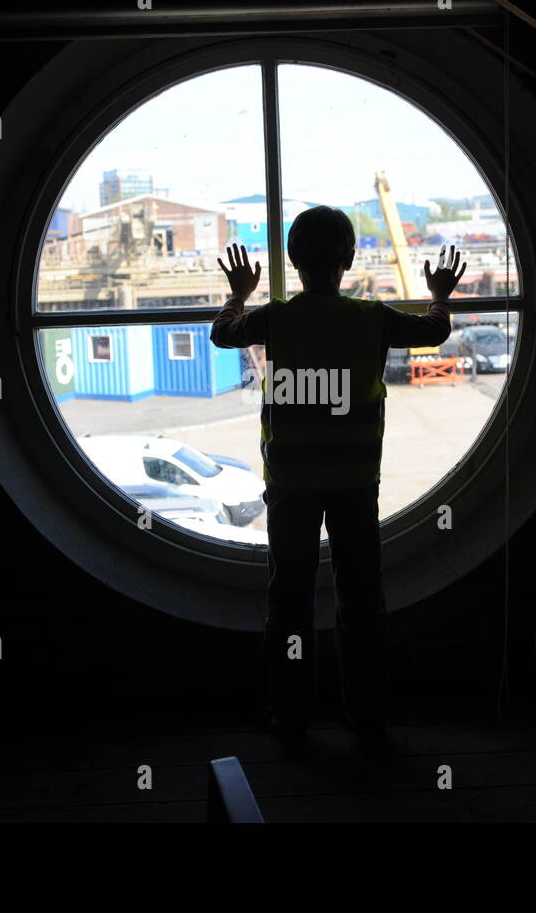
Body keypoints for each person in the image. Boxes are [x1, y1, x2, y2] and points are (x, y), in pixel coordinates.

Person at [211, 206, 464, 754]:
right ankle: (366, 713)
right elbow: (434, 330)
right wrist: (440, 292)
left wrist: (239, 291)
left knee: (290, 601)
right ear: (349, 261)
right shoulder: (371, 318)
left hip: (290, 485)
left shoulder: (275, 319)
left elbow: (221, 333)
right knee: (361, 599)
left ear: (293, 261)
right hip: (353, 484)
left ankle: (290, 713)